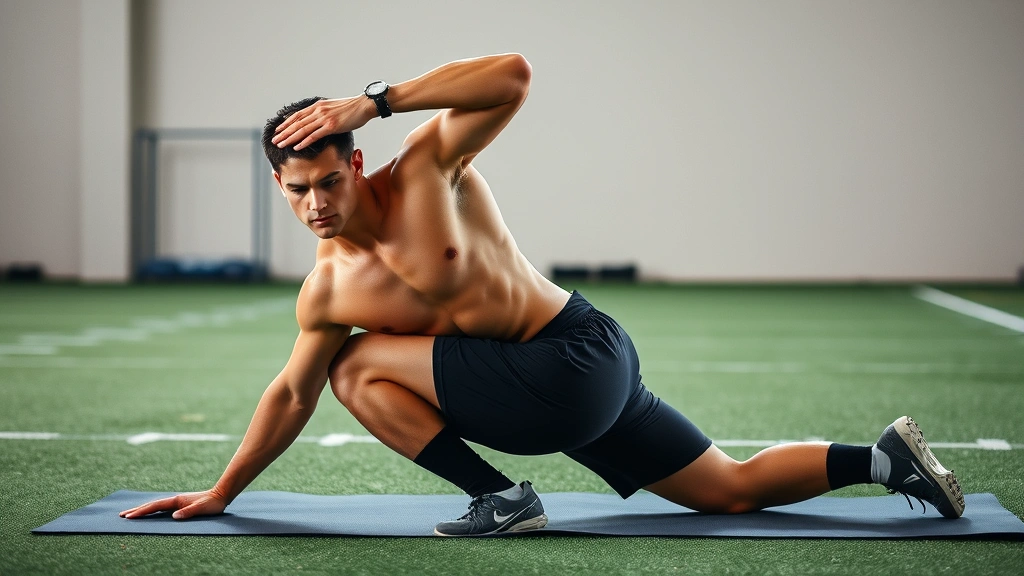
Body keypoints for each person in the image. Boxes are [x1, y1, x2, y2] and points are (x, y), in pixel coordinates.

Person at [120, 54, 964, 536]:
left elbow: (512, 76)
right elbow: (288, 394)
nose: (317, 204)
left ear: (357, 161)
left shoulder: (426, 171)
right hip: (563, 382)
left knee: (356, 366)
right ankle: (884, 461)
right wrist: (223, 492)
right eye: (298, 189)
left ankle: (499, 500)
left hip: (574, 355)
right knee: (729, 489)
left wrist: (377, 100)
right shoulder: (328, 289)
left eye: (330, 180)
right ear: (279, 185)